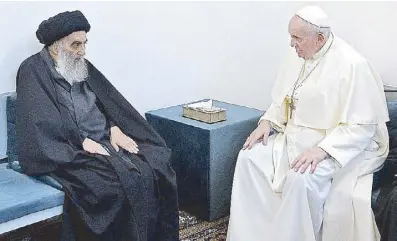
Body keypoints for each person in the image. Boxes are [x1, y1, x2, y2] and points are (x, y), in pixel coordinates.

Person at [226, 5, 389, 241]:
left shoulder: (352, 65)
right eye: (291, 37)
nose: (292, 44)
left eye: (297, 38)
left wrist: (323, 150)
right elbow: (285, 99)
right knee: (249, 158)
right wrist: (268, 122)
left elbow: (362, 127)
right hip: (292, 137)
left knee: (300, 178)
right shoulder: (298, 56)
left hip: (336, 146)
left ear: (319, 38)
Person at [16, 10, 179, 241]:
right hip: (71, 151)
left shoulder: (80, 64)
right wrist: (82, 142)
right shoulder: (32, 71)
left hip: (106, 139)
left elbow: (108, 102)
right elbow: (39, 126)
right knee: (111, 186)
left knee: (156, 163)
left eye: (84, 43)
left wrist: (114, 127)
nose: (82, 51)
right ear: (55, 46)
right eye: (75, 45)